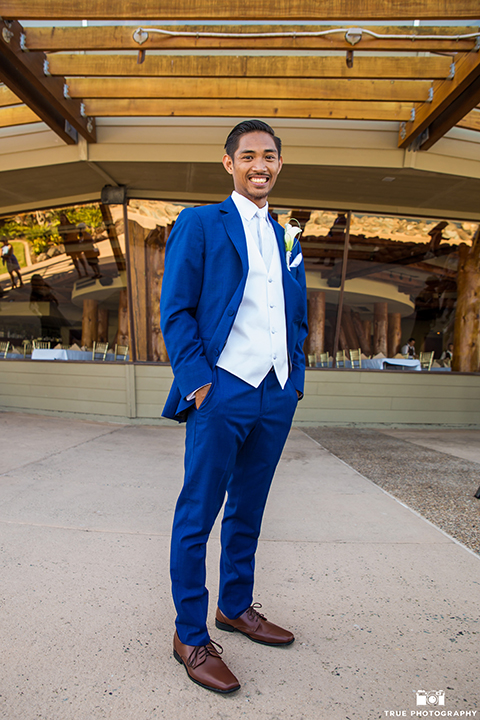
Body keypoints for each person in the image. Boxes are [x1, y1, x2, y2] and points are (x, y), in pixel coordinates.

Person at [160, 119, 308, 694]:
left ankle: (236, 606)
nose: (259, 165)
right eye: (248, 156)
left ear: (278, 164)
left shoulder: (287, 235)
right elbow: (175, 311)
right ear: (229, 164)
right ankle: (190, 636)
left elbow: (294, 313)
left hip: (276, 393)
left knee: (249, 507)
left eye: (268, 156)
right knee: (198, 513)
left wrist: (294, 378)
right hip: (222, 390)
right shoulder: (200, 223)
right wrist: (200, 385)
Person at [58, 214, 89, 278]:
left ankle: (86, 271)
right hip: (68, 243)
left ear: (66, 218)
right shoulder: (60, 227)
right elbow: (61, 235)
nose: (62, 220)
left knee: (80, 257)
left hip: (75, 242)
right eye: (61, 218)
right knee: (74, 259)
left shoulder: (71, 225)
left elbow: (77, 232)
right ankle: (79, 273)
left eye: (63, 218)